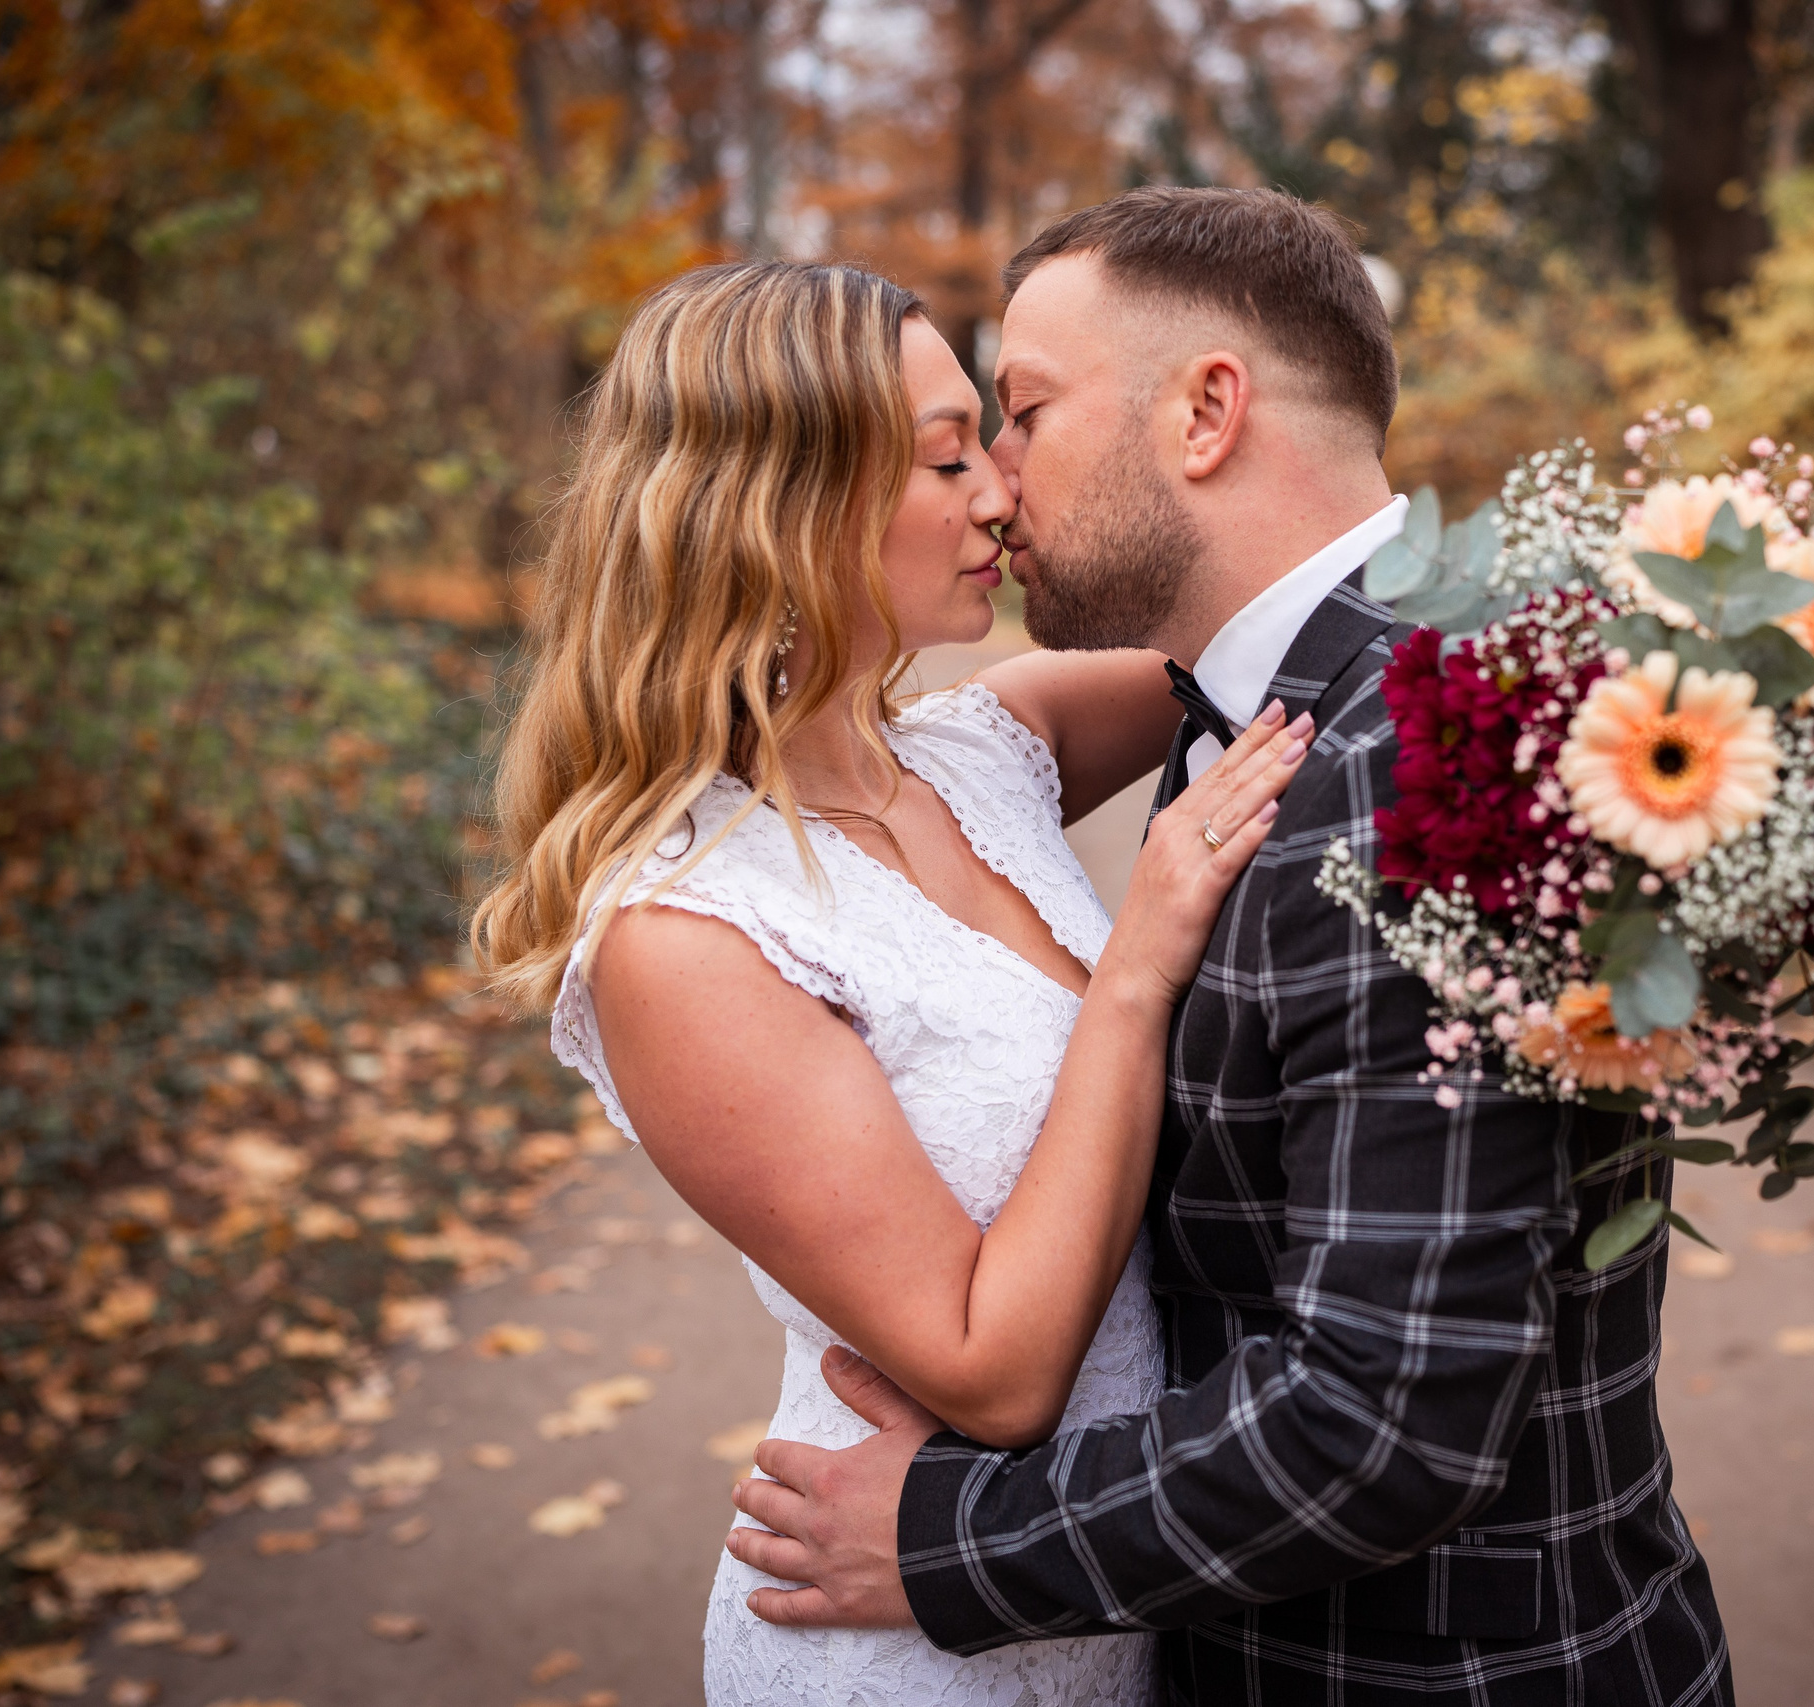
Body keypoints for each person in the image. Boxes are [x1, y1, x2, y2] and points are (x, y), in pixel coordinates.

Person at [720, 188, 1735, 1704]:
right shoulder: (1295, 704)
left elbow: (1385, 1419)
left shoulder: (1416, 775)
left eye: (1025, 415)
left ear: (1207, 412)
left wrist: (952, 1545)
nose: (997, 485)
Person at [470, 257, 1316, 1706]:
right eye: (943, 458)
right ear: (779, 509)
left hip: (1135, 1586)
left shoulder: (986, 747)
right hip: (907, 1636)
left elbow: (1274, 631)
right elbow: (992, 1370)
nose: (997, 491)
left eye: (993, 434)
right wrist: (1134, 971)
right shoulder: (684, 932)